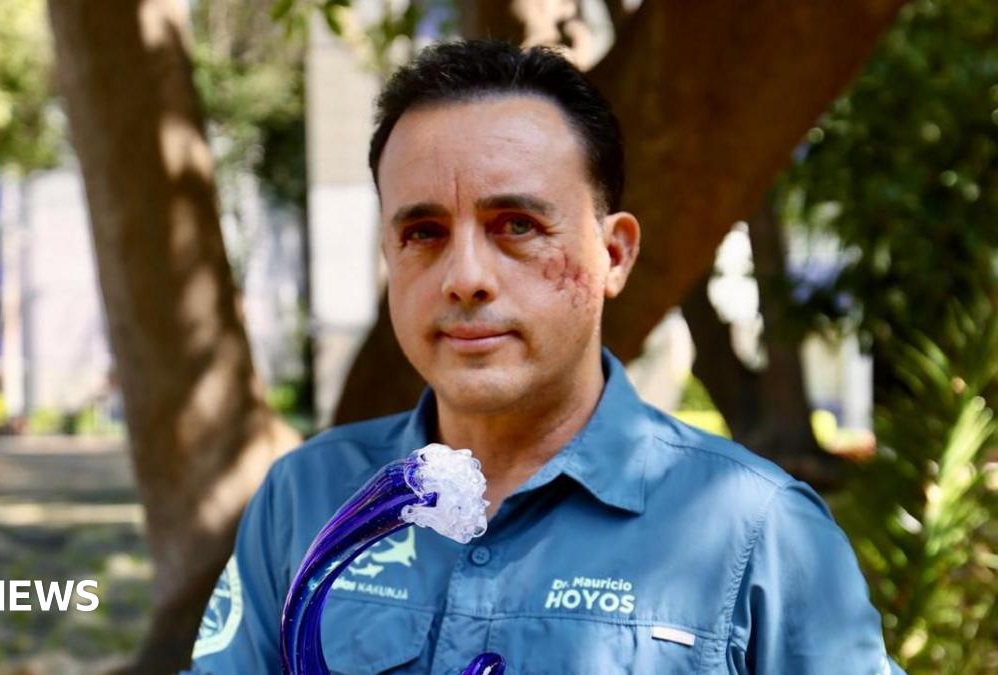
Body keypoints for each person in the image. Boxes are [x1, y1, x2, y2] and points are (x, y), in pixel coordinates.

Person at [185, 40, 900, 674]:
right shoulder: (306, 499)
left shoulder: (761, 531)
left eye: (518, 225)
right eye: (424, 232)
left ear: (614, 253)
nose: (466, 275)